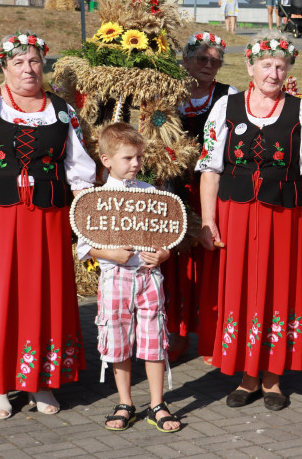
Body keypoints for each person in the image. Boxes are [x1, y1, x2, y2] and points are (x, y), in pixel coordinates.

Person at [0, 31, 96, 420]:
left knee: (44, 293)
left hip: (48, 218)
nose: (27, 68)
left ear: (44, 64)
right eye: (18, 62)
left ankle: (40, 379)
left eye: (34, 60)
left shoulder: (61, 109)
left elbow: (80, 170)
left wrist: (85, 220)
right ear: (3, 67)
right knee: (0, 294)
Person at [197, 36, 302, 411]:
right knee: (240, 287)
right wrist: (208, 220)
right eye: (266, 65)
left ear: (288, 71)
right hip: (235, 213)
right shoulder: (226, 106)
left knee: (278, 288)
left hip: (284, 215)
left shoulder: (301, 111)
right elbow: (210, 168)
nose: (274, 73)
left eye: (281, 66)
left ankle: (272, 378)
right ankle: (247, 375)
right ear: (250, 68)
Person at [76, 123, 181, 433]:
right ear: (106, 160)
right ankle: (125, 402)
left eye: (138, 157)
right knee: (118, 339)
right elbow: (85, 247)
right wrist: (111, 254)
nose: (136, 164)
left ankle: (158, 403)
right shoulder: (96, 199)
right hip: (115, 279)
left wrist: (164, 255)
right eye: (128, 158)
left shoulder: (150, 194)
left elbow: (167, 237)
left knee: (154, 340)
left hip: (149, 278)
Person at [169, 33, 237, 363]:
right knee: (179, 262)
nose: (209, 65)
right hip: (176, 188)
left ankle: (212, 334)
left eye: (215, 61)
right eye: (202, 59)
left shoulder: (229, 96)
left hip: (212, 190)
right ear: (186, 62)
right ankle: (179, 332)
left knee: (211, 260)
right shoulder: (169, 96)